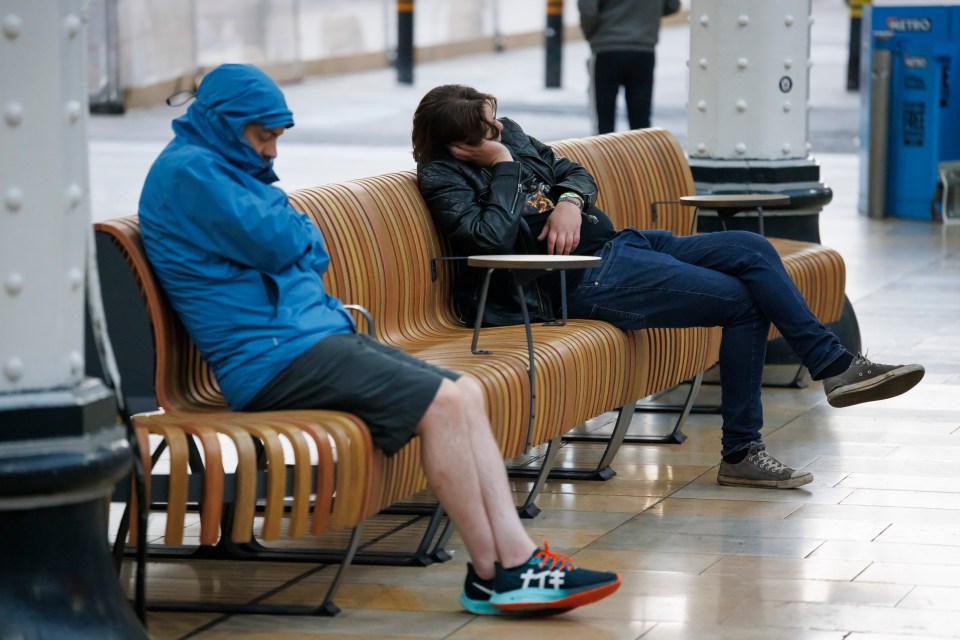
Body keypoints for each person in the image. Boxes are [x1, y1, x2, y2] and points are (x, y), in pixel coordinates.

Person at [137, 64, 621, 616]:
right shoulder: (193, 174)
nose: (272, 152)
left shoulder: (225, 168)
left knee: (463, 393)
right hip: (273, 359)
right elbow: (286, 242)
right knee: (442, 404)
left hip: (309, 340)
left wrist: (292, 231)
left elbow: (307, 244)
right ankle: (500, 570)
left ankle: (510, 564)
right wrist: (292, 230)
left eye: (276, 138)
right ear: (226, 124)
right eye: (263, 136)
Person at [413, 84, 926, 490]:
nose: (500, 128)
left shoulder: (510, 134)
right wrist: (502, 167)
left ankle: (830, 367)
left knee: (752, 248)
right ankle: (750, 446)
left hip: (622, 244)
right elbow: (490, 237)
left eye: (496, 118)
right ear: (462, 144)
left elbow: (574, 171)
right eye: (487, 129)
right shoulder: (443, 177)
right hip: (580, 281)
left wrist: (569, 199)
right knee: (747, 304)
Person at [578, 0, 680, 133]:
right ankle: (641, 153)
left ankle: (605, 154)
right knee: (641, 124)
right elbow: (672, 5)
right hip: (643, 48)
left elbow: (588, 10)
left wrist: (592, 34)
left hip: (607, 48)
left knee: (603, 123)